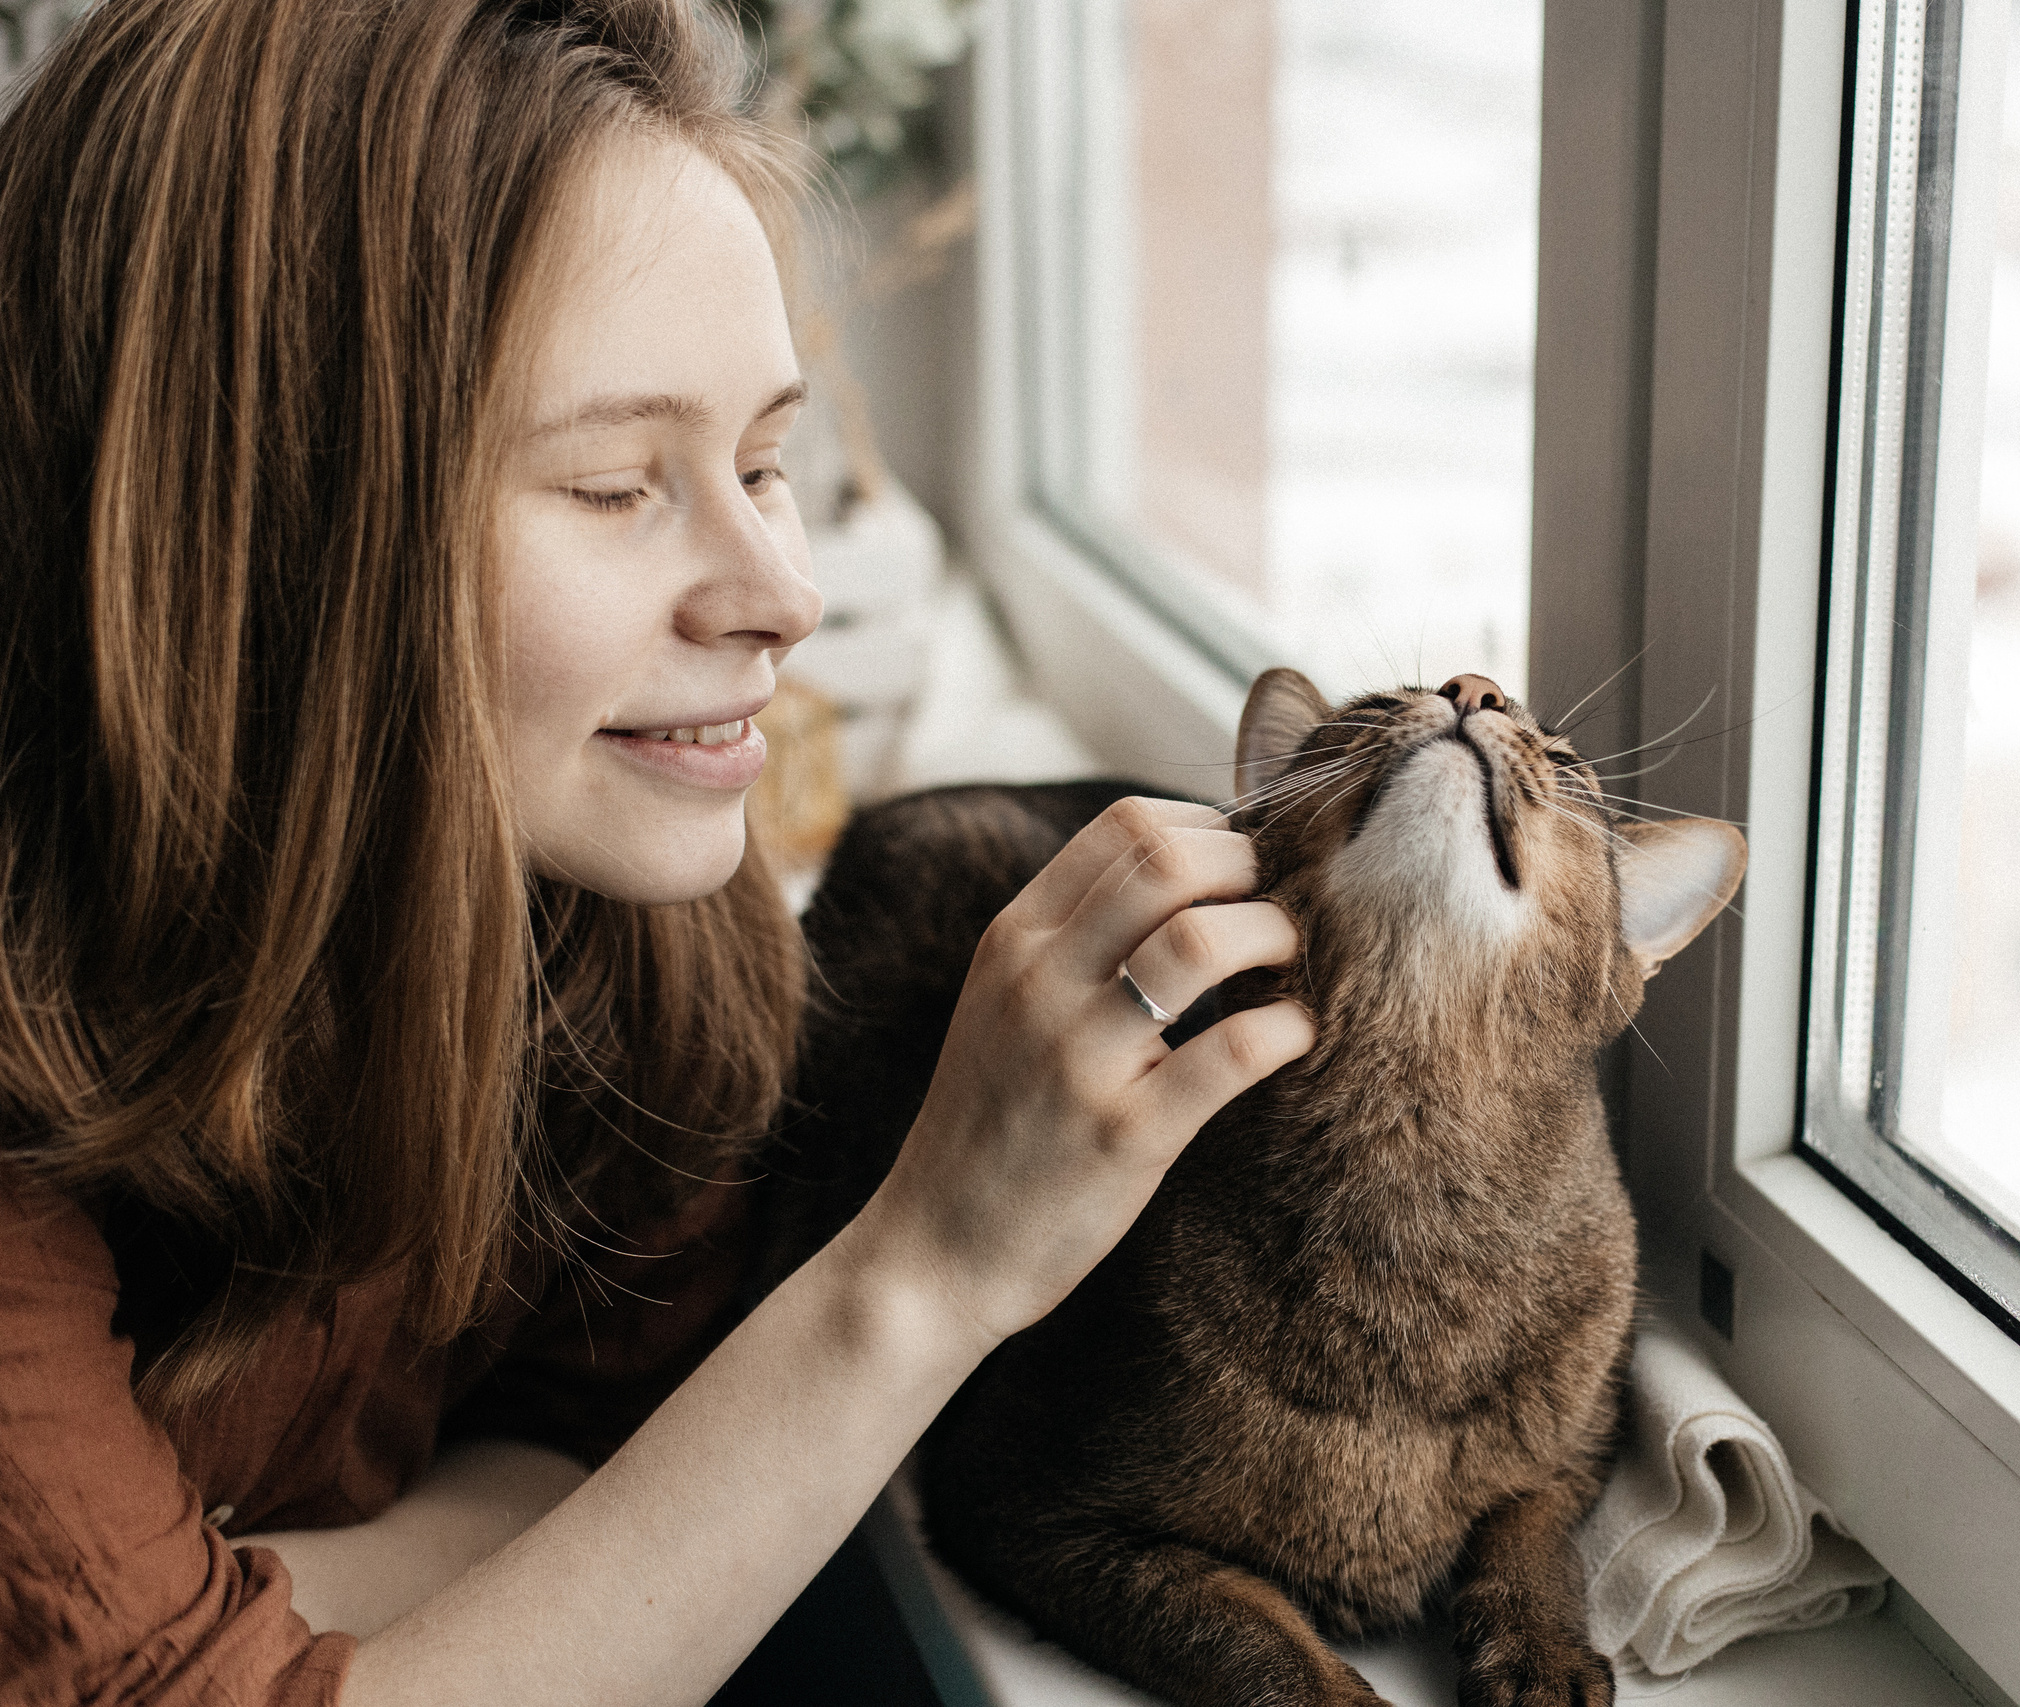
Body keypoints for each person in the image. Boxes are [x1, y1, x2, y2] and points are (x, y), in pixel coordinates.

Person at [0, 1, 1314, 1701]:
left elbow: (587, 1439)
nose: (784, 593)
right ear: (259, 538)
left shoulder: (629, 918)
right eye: (619, 484)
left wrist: (233, 1613)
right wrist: (930, 1268)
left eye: (766, 460)